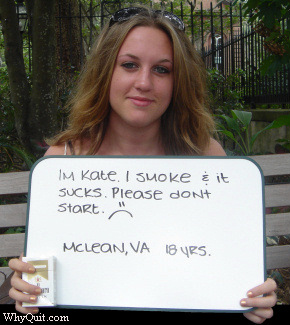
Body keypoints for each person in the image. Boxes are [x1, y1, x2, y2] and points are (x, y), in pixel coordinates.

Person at [8, 6, 276, 323]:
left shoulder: (206, 158)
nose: (144, 82)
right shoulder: (63, 161)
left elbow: (226, 269)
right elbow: (41, 292)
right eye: (130, 65)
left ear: (180, 82)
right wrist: (28, 296)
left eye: (162, 70)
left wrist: (253, 299)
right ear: (105, 71)